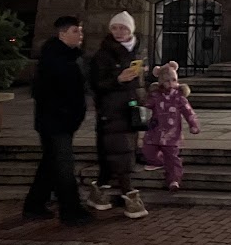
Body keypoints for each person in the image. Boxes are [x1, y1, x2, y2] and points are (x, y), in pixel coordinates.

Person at [23, 16, 92, 226]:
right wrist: (63, 112)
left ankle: (34, 205)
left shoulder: (73, 57)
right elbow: (44, 91)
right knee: (63, 166)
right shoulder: (53, 59)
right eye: (75, 31)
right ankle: (71, 210)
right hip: (55, 122)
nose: (80, 35)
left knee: (50, 163)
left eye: (80, 30)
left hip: (64, 121)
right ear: (62, 34)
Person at [86, 11, 148, 218]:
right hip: (111, 111)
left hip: (131, 110)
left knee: (112, 154)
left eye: (123, 28)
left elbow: (140, 84)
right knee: (120, 152)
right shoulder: (103, 54)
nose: (118, 32)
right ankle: (129, 195)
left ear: (131, 30)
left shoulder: (138, 52)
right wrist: (118, 80)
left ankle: (99, 192)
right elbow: (96, 83)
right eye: (114, 28)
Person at [142, 61, 200, 192]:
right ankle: (159, 161)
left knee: (173, 158)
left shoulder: (179, 97)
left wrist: (193, 124)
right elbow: (146, 104)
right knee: (148, 150)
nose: (171, 84)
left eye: (174, 80)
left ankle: (174, 180)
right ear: (161, 82)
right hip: (154, 132)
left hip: (172, 134)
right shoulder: (156, 96)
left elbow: (188, 111)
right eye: (167, 81)